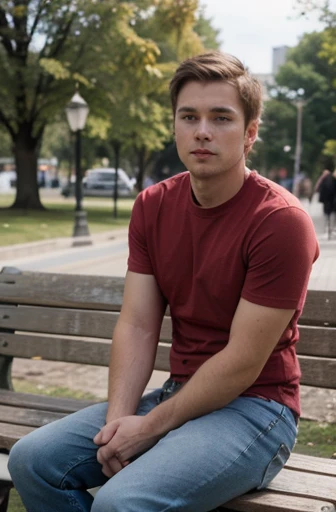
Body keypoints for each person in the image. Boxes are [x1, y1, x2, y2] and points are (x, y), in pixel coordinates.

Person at [8, 51, 319, 512]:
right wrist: (119, 425)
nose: (203, 131)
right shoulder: (153, 206)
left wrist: (149, 428)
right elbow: (136, 325)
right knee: (32, 460)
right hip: (178, 395)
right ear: (174, 125)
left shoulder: (280, 221)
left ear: (250, 133)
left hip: (257, 410)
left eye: (221, 118)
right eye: (189, 116)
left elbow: (241, 362)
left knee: (120, 502)